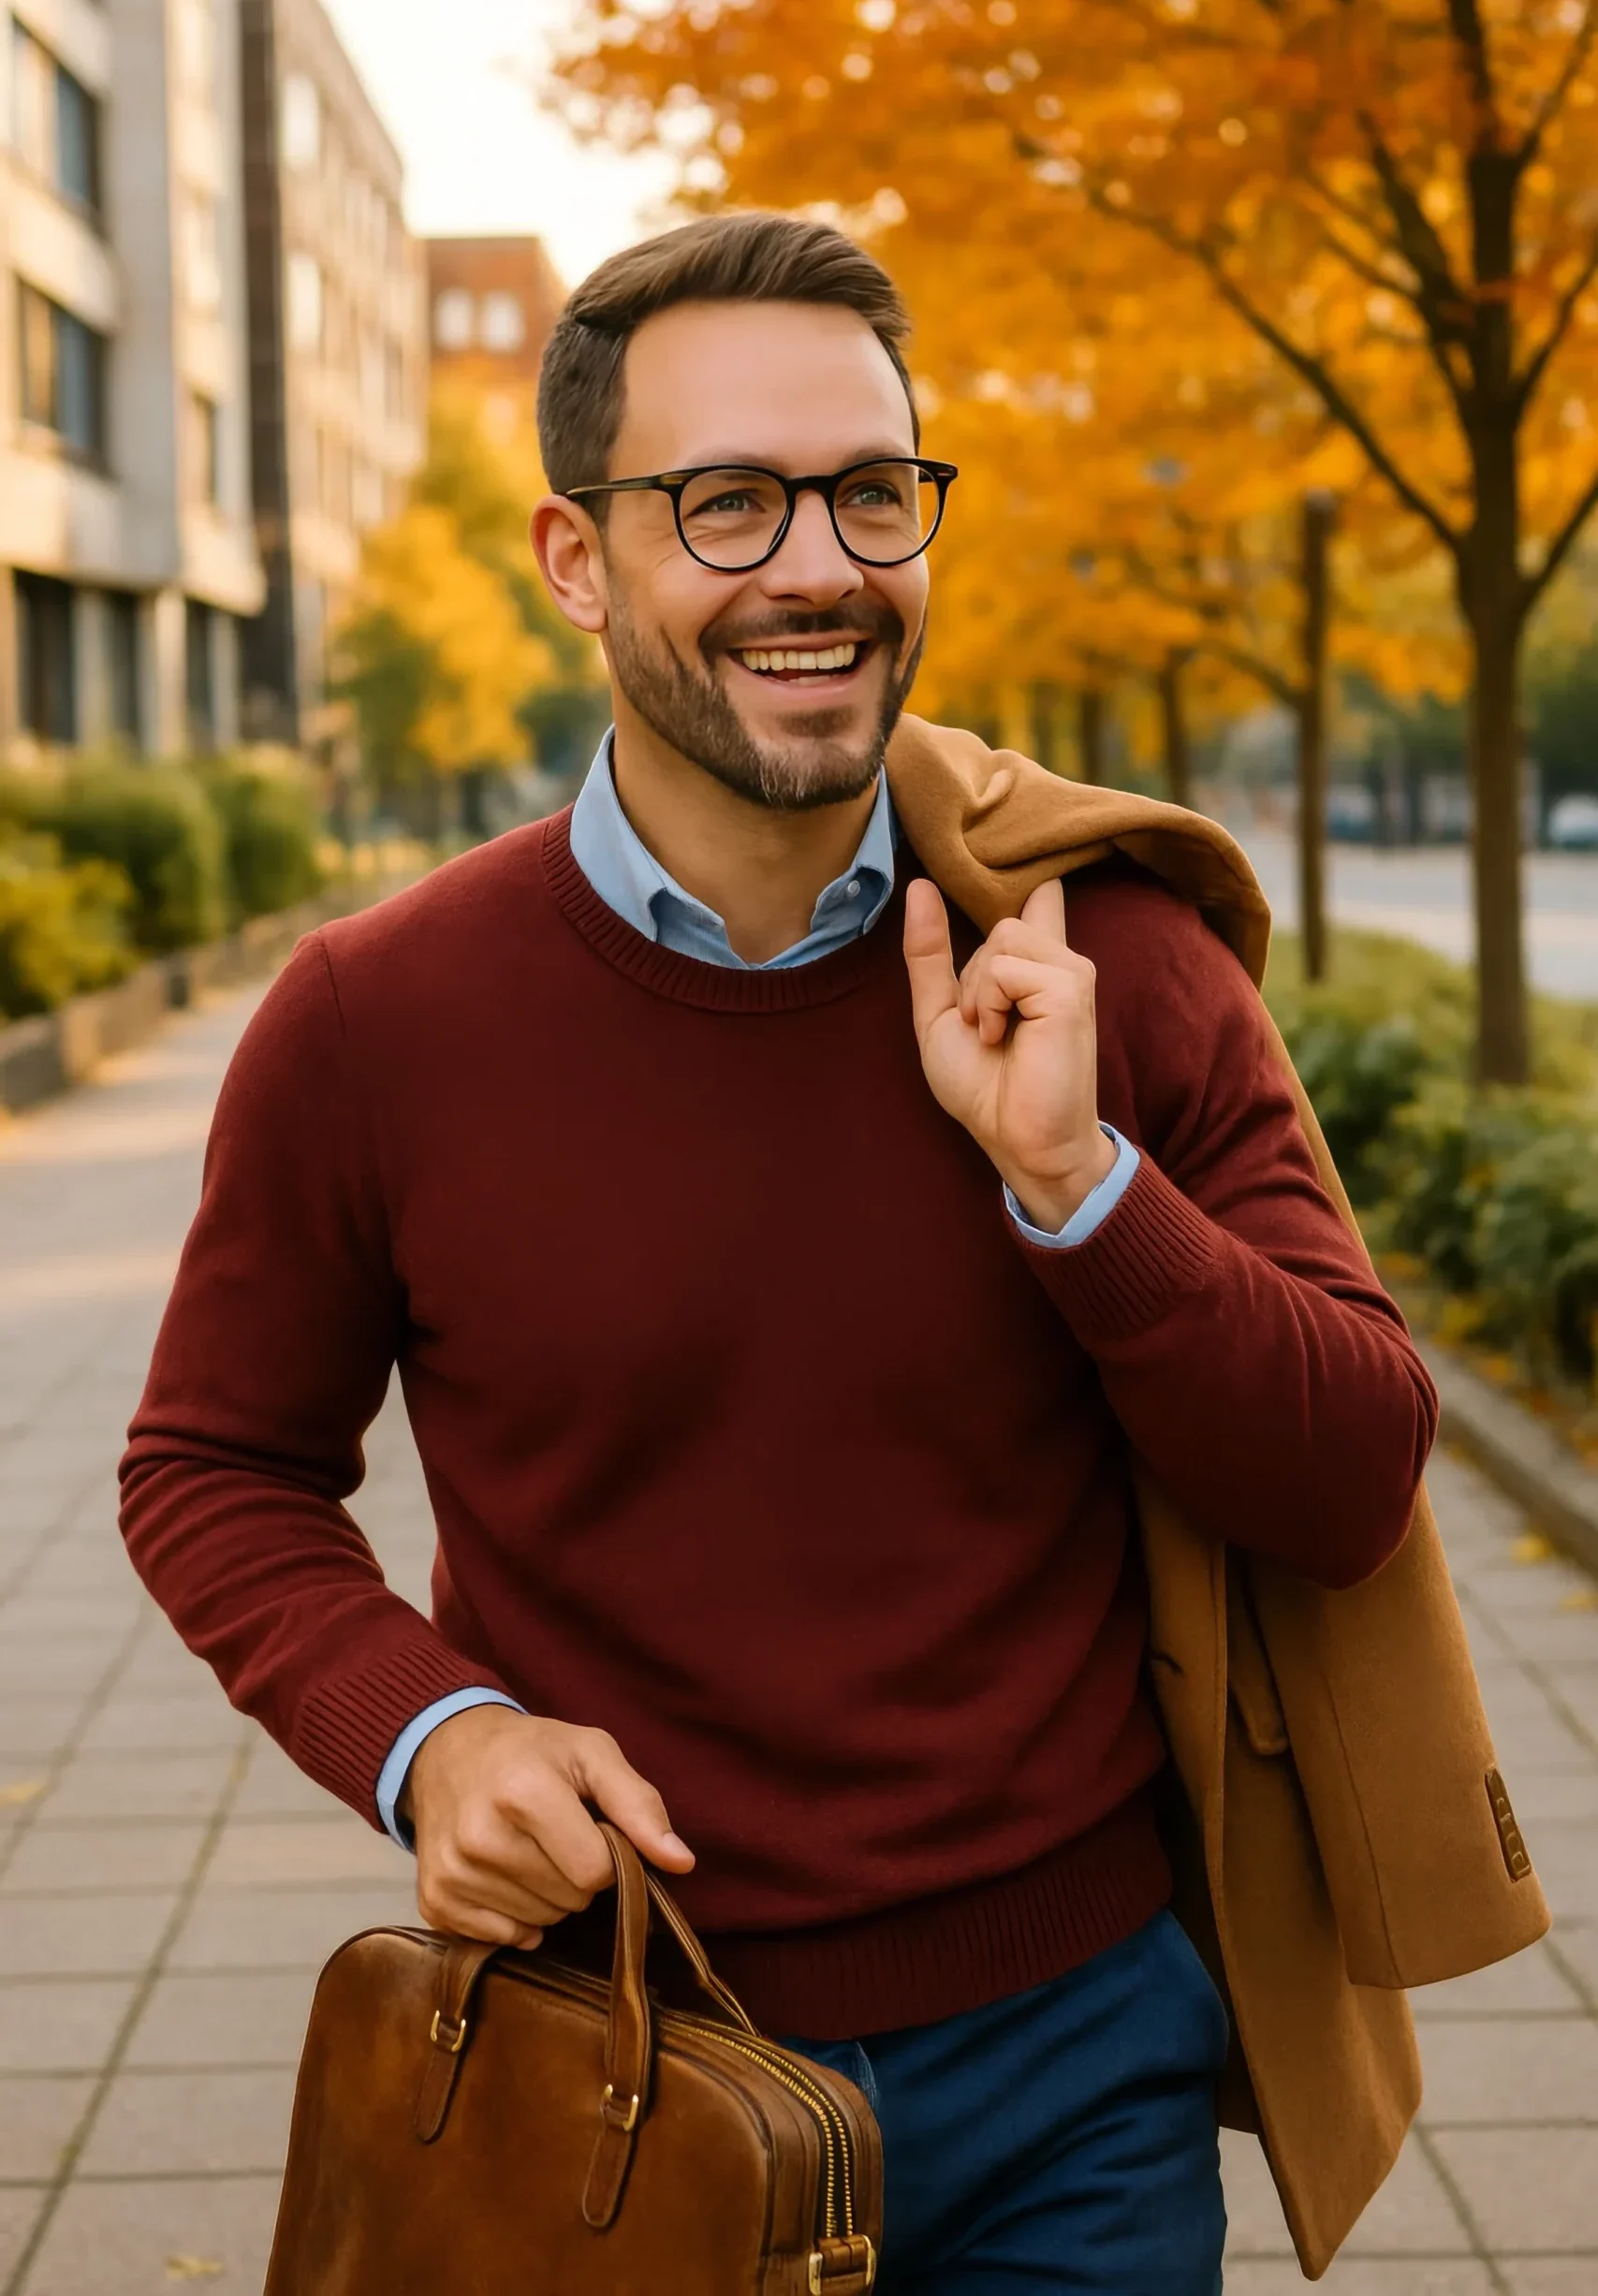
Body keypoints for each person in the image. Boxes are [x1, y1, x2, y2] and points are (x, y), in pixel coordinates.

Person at [121, 212, 1439, 2294]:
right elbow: (212, 1467)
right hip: (613, 2055)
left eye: (866, 491)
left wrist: (1080, 1189)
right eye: (723, 503)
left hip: (1075, 2074)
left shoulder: (1115, 960)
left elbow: (1354, 1467)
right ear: (577, 558)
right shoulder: (372, 1022)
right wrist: (426, 1729)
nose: (815, 563)